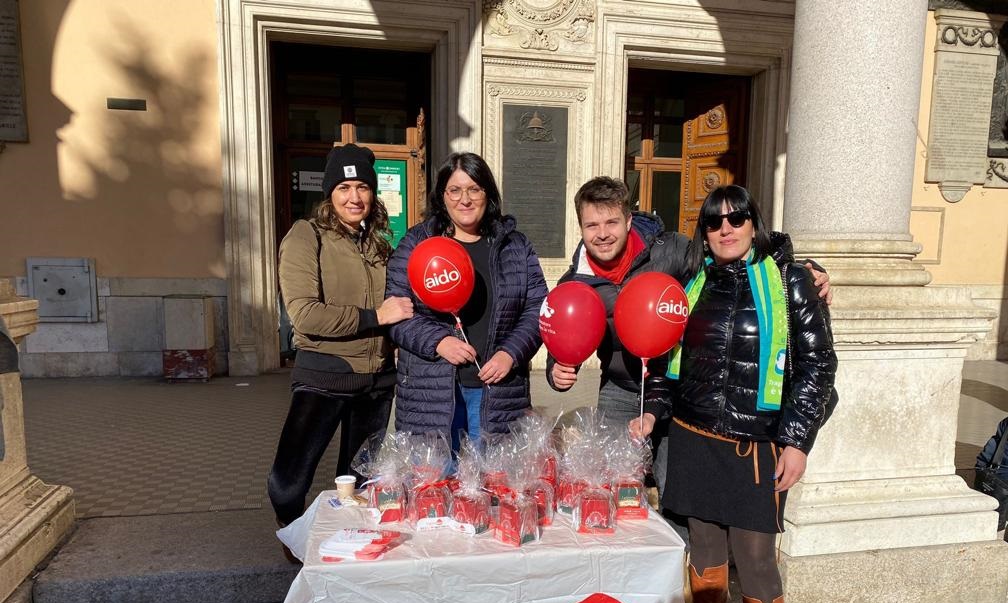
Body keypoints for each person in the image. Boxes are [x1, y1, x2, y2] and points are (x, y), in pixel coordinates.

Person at [545, 177, 831, 494]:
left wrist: (802, 270)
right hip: (620, 391)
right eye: (592, 225)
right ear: (581, 229)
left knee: (675, 489)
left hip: (675, 387)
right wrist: (555, 369)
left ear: (628, 220)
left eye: (611, 222)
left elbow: (732, 259)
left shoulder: (673, 251)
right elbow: (562, 338)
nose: (602, 234)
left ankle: (679, 544)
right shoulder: (573, 284)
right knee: (616, 487)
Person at [629, 185, 838, 603]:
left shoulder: (790, 279)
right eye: (714, 221)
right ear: (704, 231)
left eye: (736, 218)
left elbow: (818, 366)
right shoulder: (691, 282)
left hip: (755, 446)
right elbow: (665, 356)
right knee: (705, 552)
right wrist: (652, 413)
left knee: (756, 559)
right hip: (693, 436)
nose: (726, 229)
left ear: (753, 223)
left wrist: (797, 443)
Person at [268, 143, 414, 530]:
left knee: (360, 481)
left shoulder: (380, 244)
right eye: (344, 188)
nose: (354, 197)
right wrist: (376, 316)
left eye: (362, 187)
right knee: (289, 480)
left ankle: (348, 541)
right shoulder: (306, 235)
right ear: (330, 194)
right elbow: (304, 314)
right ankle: (289, 531)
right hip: (325, 374)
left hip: (377, 380)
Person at [386, 152, 548, 446]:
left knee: (491, 485)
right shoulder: (416, 243)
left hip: (498, 391)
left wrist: (510, 354)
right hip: (430, 393)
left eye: (474, 189)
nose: (465, 199)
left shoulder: (516, 246)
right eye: (455, 190)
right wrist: (438, 341)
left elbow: (538, 310)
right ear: (442, 196)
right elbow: (397, 315)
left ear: (488, 193)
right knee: (437, 483)